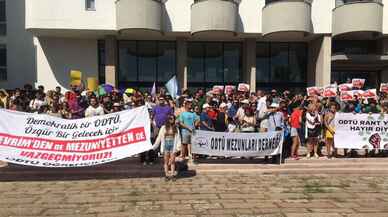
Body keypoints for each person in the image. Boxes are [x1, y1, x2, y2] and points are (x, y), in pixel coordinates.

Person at [153, 115, 181, 181]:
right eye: (170, 118)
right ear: (167, 119)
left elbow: (179, 138)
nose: (172, 120)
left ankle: (173, 175)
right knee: (166, 162)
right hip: (165, 145)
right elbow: (159, 138)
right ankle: (166, 175)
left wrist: (178, 147)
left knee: (172, 161)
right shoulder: (163, 127)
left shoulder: (176, 128)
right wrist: (154, 147)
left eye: (173, 119)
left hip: (173, 145)